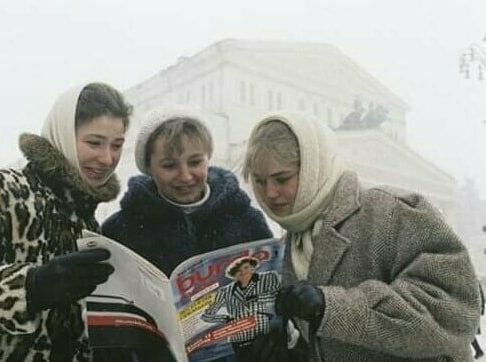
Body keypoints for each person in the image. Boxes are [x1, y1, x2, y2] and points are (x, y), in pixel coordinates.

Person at [242, 111, 481, 361]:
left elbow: (451, 315)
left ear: (314, 167)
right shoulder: (291, 244)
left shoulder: (391, 212)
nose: (270, 193)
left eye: (282, 178)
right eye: (259, 181)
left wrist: (329, 307)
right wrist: (287, 352)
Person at [0, 82, 132, 360]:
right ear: (63, 136)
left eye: (116, 145)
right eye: (94, 142)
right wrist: (33, 287)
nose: (107, 158)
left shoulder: (89, 225)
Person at [101, 107, 273, 360]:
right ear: (149, 167)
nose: (185, 176)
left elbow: (269, 302)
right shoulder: (120, 230)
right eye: (169, 165)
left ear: (208, 158)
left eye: (195, 162)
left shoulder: (247, 221)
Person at [201, 257, 280, 360]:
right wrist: (225, 318)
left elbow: (278, 295)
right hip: (240, 339)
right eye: (238, 271)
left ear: (253, 267)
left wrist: (257, 298)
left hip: (265, 333)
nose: (243, 272)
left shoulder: (268, 277)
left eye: (246, 267)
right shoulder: (225, 291)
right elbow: (206, 316)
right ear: (233, 275)